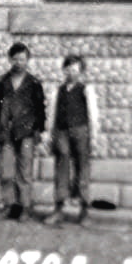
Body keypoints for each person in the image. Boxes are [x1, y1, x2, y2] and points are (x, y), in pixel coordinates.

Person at [0, 42, 47, 221]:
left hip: (27, 133)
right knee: (6, 172)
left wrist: (41, 131)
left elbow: (40, 109)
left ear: (27, 60)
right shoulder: (2, 82)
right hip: (6, 132)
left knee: (25, 172)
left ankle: (25, 207)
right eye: (15, 59)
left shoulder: (34, 83)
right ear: (9, 60)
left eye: (22, 59)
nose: (18, 62)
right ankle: (8, 205)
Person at [47, 54, 99, 225]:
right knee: (61, 167)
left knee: (82, 168)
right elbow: (52, 114)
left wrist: (94, 136)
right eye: (68, 69)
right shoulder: (58, 90)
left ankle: (84, 211)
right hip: (61, 132)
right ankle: (59, 209)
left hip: (81, 131)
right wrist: (50, 134)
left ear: (81, 71)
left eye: (75, 69)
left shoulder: (86, 89)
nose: (71, 72)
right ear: (64, 70)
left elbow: (93, 114)